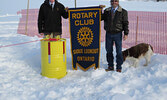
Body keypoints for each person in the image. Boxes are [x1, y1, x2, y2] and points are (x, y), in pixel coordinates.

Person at [101, 0, 129, 72]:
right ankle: (110, 66)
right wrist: (100, 10)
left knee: (119, 51)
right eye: (112, 1)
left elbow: (125, 23)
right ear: (110, 2)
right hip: (108, 34)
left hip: (118, 34)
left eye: (115, 1)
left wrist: (126, 33)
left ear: (118, 2)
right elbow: (100, 17)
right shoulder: (107, 11)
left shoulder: (123, 12)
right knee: (109, 50)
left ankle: (119, 67)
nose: (114, 2)